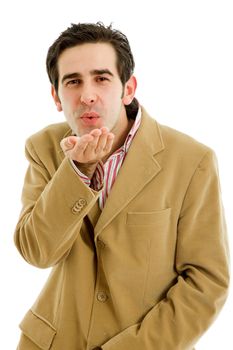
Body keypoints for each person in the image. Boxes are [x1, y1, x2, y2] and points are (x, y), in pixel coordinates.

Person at [14, 22, 229, 350]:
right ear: (57, 96)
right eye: (73, 82)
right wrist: (77, 172)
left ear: (128, 88)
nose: (87, 95)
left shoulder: (191, 160)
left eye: (101, 78)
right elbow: (37, 252)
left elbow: (206, 281)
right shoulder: (43, 147)